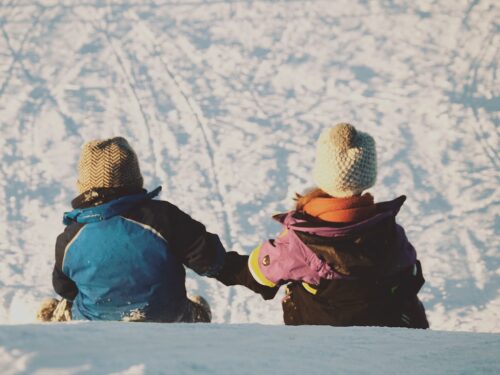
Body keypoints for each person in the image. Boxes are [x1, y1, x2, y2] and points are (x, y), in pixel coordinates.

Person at [38, 136, 273, 323]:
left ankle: (63, 315)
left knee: (73, 302)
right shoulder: (162, 217)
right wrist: (258, 275)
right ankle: (198, 316)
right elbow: (210, 260)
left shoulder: (70, 236)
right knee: (194, 308)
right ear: (134, 179)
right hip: (166, 317)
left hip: (97, 322)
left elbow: (64, 286)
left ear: (84, 186)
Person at [247, 123, 429, 327]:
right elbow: (410, 275)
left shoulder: (298, 242)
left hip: (317, 335)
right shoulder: (391, 234)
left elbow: (259, 273)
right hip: (385, 333)